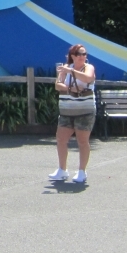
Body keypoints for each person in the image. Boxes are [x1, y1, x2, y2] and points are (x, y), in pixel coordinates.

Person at [50, 44, 96, 184]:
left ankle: (82, 171)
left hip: (85, 110)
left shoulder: (88, 67)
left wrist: (70, 72)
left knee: (82, 141)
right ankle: (62, 170)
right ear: (73, 56)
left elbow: (88, 79)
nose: (83, 56)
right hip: (66, 110)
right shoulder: (66, 67)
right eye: (79, 54)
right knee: (61, 139)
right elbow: (58, 85)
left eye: (84, 54)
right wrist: (72, 88)